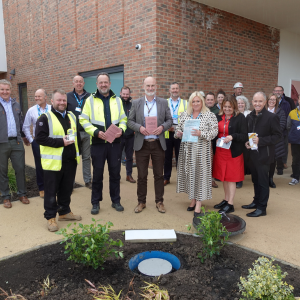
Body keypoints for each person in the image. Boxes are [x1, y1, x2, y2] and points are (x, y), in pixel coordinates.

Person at [79, 72, 127, 215]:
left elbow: (124, 119)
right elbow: (83, 120)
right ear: (97, 84)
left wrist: (122, 130)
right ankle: (95, 202)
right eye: (101, 82)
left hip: (115, 143)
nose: (103, 85)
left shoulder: (118, 100)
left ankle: (116, 200)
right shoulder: (90, 100)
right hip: (98, 143)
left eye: (106, 82)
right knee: (98, 175)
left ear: (110, 84)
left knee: (115, 174)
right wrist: (94, 132)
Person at [35, 89, 82, 232]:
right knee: (51, 191)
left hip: (70, 160)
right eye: (59, 100)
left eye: (64, 100)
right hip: (53, 163)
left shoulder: (72, 116)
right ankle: (50, 217)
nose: (62, 103)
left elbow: (77, 136)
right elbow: (40, 139)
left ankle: (64, 212)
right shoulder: (45, 118)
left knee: (67, 189)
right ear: (52, 101)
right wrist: (60, 142)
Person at [128, 76, 172, 214]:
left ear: (156, 86)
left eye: (152, 85)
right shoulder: (136, 103)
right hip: (142, 144)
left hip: (158, 143)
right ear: (143, 87)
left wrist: (163, 127)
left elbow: (170, 120)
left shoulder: (163, 102)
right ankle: (141, 202)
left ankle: (159, 201)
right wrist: (139, 128)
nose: (150, 88)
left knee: (159, 175)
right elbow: (130, 121)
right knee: (142, 175)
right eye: (148, 86)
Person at [174, 91, 218, 226]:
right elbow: (177, 131)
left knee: (200, 176)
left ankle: (198, 204)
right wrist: (179, 133)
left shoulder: (209, 115)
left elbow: (214, 132)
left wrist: (201, 133)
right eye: (193, 101)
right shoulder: (185, 114)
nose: (195, 103)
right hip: (187, 151)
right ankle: (192, 199)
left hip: (201, 151)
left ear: (202, 102)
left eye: (198, 101)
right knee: (190, 176)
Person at [243, 92, 282, 217]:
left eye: (260, 101)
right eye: (255, 101)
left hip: (265, 155)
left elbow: (278, 136)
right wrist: (247, 143)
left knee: (263, 181)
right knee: (255, 180)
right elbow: (249, 134)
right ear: (252, 102)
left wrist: (261, 141)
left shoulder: (271, 117)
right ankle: (256, 201)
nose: (257, 104)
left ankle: (262, 208)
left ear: (265, 102)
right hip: (252, 154)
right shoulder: (249, 116)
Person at [212, 95, 248, 213]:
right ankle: (226, 199)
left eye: (230, 107)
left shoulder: (240, 117)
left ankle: (230, 204)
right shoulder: (218, 117)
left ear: (234, 107)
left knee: (231, 178)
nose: (227, 109)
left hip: (233, 152)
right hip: (221, 151)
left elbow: (244, 135)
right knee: (224, 177)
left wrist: (232, 136)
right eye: (225, 106)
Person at [0, 79, 29, 209]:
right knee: (2, 171)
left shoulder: (16, 104)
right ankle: (6, 197)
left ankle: (22, 194)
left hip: (16, 142)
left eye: (7, 89)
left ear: (11, 90)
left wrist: (24, 137)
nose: (5, 92)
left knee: (20, 168)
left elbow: (21, 122)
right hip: (2, 143)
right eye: (2, 89)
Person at [23, 89, 52, 198]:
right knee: (39, 165)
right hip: (38, 142)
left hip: (51, 141)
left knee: (52, 164)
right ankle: (42, 188)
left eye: (39, 96)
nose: (37, 98)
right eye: (35, 96)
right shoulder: (31, 110)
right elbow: (25, 127)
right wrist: (31, 140)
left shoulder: (52, 108)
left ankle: (52, 186)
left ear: (45, 97)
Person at [67, 75, 92, 188]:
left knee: (87, 157)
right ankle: (70, 182)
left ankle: (87, 180)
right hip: (72, 132)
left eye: (80, 82)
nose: (78, 84)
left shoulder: (90, 96)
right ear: (73, 83)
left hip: (86, 131)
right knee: (72, 157)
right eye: (76, 82)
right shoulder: (68, 96)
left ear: (83, 83)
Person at [163, 82, 187, 186]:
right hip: (167, 133)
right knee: (167, 157)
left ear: (179, 90)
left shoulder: (185, 103)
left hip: (180, 133)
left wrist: (179, 128)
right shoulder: (164, 102)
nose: (175, 90)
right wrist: (166, 126)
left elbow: (188, 118)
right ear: (169, 90)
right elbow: (160, 117)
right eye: (173, 89)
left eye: (177, 88)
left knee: (180, 157)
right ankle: (166, 178)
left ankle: (181, 179)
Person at [266, 93, 286, 187]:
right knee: (264, 159)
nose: (272, 101)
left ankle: (270, 178)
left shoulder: (280, 112)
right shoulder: (263, 111)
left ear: (276, 101)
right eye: (270, 99)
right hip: (264, 140)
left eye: (274, 100)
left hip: (275, 141)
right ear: (267, 100)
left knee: (273, 161)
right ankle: (264, 178)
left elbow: (281, 125)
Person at [273, 86, 295, 169]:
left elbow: (290, 114)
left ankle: (283, 162)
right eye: (276, 90)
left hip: (284, 128)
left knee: (284, 146)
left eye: (279, 91)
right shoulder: (270, 100)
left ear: (282, 92)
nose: (277, 92)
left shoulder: (288, 101)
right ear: (273, 91)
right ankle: (273, 162)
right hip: (272, 129)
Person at [119, 86, 136, 183]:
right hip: (119, 136)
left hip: (130, 136)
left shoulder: (132, 105)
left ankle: (129, 175)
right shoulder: (117, 104)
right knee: (117, 157)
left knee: (129, 157)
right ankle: (116, 176)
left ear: (129, 94)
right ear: (120, 93)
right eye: (124, 94)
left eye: (127, 94)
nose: (125, 96)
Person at [205, 92, 219, 189]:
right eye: (208, 99)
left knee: (213, 160)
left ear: (215, 101)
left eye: (211, 100)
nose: (209, 101)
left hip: (215, 139)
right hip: (204, 138)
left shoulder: (218, 111)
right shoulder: (202, 110)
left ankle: (212, 179)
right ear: (205, 100)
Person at [287, 95, 300, 186]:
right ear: (298, 100)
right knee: (295, 159)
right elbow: (288, 126)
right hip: (296, 140)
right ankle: (295, 177)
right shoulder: (292, 113)